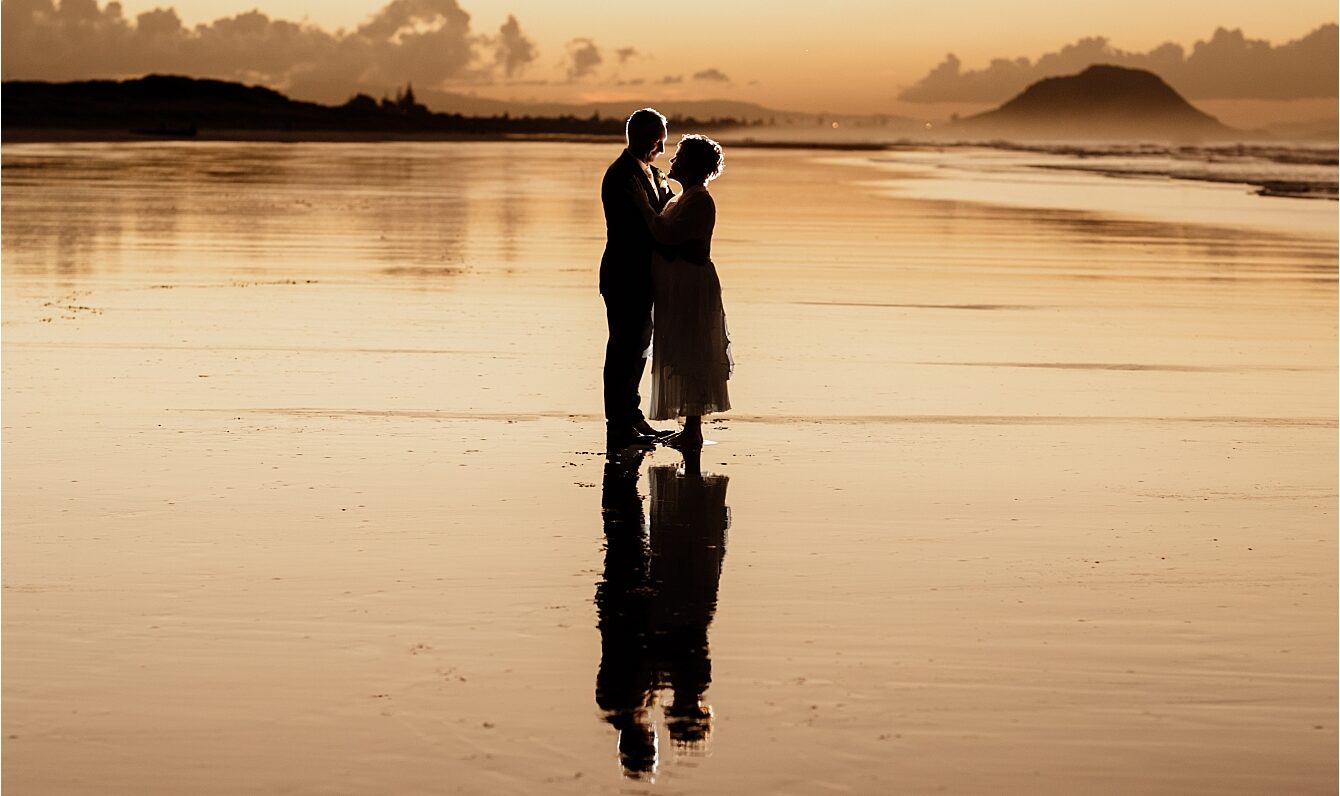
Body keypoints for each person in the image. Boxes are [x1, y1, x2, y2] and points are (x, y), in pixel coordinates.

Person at [644, 135, 732, 450]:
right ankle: (688, 428)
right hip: (678, 284)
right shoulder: (682, 198)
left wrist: (641, 208)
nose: (672, 161)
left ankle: (692, 431)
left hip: (692, 285)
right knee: (683, 350)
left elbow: (668, 235)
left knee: (694, 352)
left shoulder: (699, 200)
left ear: (693, 165)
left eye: (679, 157)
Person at [600, 108, 677, 449]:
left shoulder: (651, 173)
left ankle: (631, 416)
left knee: (639, 346)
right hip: (623, 271)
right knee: (623, 347)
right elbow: (641, 224)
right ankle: (619, 420)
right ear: (642, 138)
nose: (661, 149)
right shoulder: (621, 176)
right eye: (657, 142)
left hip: (645, 275)